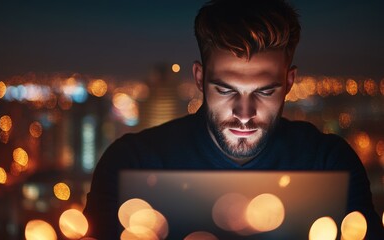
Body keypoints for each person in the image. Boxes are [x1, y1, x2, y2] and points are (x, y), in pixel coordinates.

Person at [83, 0, 384, 239]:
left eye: (265, 92)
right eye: (226, 90)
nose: (244, 113)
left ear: (289, 82)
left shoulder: (329, 162)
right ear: (199, 78)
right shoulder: (130, 162)